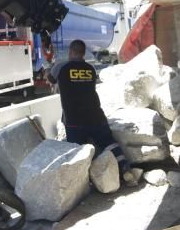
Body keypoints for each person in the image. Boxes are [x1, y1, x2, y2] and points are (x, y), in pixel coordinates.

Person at [48, 39, 132, 182]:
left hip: (74, 121)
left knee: (77, 152)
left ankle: (85, 181)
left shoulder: (60, 67)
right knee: (108, 142)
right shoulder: (90, 69)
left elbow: (50, 80)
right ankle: (125, 168)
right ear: (82, 53)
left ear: (70, 52)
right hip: (96, 117)